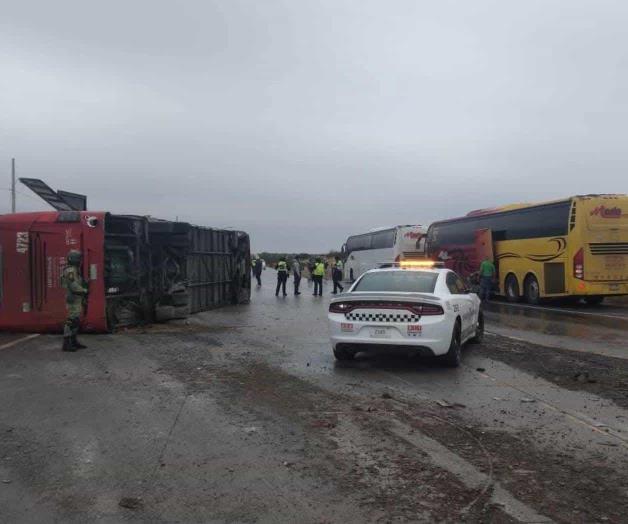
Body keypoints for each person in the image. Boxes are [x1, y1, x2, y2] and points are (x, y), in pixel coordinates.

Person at [61, 250, 89, 352]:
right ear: (74, 259)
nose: (80, 261)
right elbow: (73, 286)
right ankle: (67, 343)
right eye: (79, 259)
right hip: (73, 298)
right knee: (71, 320)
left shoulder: (74, 269)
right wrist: (84, 291)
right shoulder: (70, 271)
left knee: (76, 320)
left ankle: (73, 341)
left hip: (77, 298)